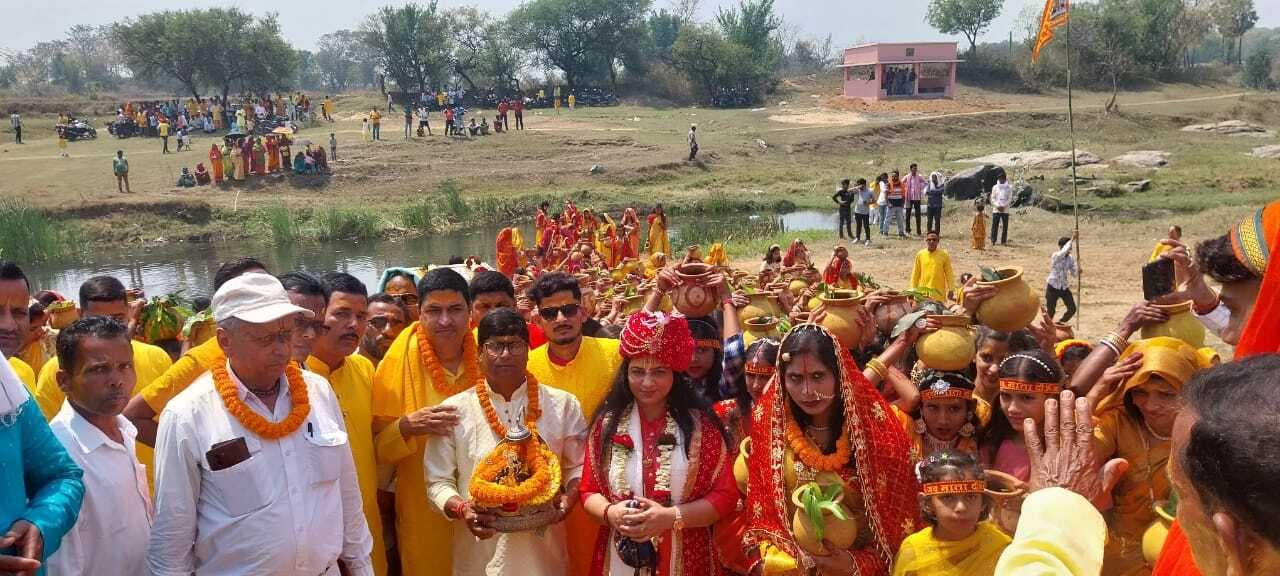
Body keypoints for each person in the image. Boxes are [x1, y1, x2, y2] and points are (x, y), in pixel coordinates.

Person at [148, 273, 375, 575]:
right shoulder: (187, 414)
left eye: (284, 335)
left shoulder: (317, 392)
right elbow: (171, 540)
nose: (281, 349)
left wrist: (362, 567)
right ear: (225, 341)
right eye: (265, 339)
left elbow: (348, 494)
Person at [742, 324, 920, 574]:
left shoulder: (875, 433)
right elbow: (761, 522)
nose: (807, 391)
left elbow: (899, 531)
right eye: (795, 378)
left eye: (818, 376)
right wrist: (787, 563)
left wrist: (855, 565)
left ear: (839, 375)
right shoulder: (772, 429)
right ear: (782, 379)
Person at [425, 308, 587, 575]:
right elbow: (437, 482)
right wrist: (463, 509)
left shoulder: (563, 404)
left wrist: (569, 499)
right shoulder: (454, 411)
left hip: (544, 551)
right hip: (480, 552)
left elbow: (578, 467)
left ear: (528, 350)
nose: (505, 354)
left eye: (515, 345)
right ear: (478, 354)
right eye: (495, 346)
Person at [579, 310, 737, 575]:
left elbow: (725, 496)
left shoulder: (702, 426)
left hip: (687, 553)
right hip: (619, 555)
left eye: (659, 372)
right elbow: (588, 491)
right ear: (625, 374)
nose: (647, 382)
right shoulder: (606, 425)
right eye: (637, 371)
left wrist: (669, 517)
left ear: (675, 373)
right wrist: (611, 514)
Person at [372, 268, 483, 576]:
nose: (445, 321)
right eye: (434, 310)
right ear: (418, 312)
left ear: (470, 311)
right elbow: (378, 451)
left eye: (455, 309)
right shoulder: (396, 362)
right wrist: (407, 426)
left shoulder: (488, 353)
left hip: (486, 501)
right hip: (423, 509)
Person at [1083, 337, 1214, 576]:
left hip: (1186, 553)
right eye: (1140, 392)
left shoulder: (1208, 435)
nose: (1151, 406)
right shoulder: (1118, 423)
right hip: (1119, 552)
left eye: (1166, 395)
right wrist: (1095, 394)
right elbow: (1081, 457)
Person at [524, 272, 623, 576]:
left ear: (583, 311)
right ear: (538, 319)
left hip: (607, 489)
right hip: (547, 493)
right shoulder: (526, 366)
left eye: (568, 309)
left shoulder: (614, 355)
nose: (561, 318)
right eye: (550, 313)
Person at [122, 257, 271, 447]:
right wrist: (198, 457)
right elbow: (132, 416)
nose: (267, 297)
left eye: (270, 287)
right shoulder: (201, 360)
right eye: (252, 292)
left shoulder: (291, 347)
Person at [45, 317, 151, 576]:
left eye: (125, 366)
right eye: (99, 369)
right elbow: (62, 565)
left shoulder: (125, 430)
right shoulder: (61, 456)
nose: (117, 380)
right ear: (63, 381)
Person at [304, 273, 389, 576]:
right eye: (341, 314)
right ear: (316, 317)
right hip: (312, 534)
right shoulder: (290, 380)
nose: (353, 325)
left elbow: (377, 439)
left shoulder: (364, 368)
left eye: (361, 316)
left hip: (365, 522)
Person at [0, 347, 84, 576]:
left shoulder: (9, 394)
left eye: (16, 312)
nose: (7, 325)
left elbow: (61, 476)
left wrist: (41, 522)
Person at [892, 450, 1010, 576]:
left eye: (971, 497)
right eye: (947, 497)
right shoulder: (913, 551)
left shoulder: (1001, 547)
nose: (961, 507)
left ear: (983, 502)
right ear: (927, 503)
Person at [982, 349, 1063, 483]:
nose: (1013, 408)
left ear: (1051, 397)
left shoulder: (1068, 451)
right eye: (1006, 396)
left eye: (1026, 397)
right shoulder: (991, 443)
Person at [899, 371, 990, 462]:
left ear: (970, 408)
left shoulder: (982, 441)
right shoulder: (904, 430)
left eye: (954, 409)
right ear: (921, 407)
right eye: (933, 407)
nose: (943, 420)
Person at [361, 292, 409, 367]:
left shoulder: (410, 370)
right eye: (379, 322)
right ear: (361, 324)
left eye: (396, 323)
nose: (388, 331)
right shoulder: (341, 365)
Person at [910, 232, 955, 301]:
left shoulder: (944, 255)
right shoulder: (920, 254)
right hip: (923, 294)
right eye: (929, 239)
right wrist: (912, 290)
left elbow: (949, 273)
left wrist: (951, 289)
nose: (931, 241)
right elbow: (915, 274)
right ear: (926, 241)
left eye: (934, 239)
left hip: (938, 295)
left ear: (938, 241)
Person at [1046, 233, 1080, 323]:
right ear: (1061, 246)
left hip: (1064, 287)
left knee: (1072, 309)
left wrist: (1078, 271)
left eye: (1070, 247)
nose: (1070, 249)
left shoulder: (1070, 258)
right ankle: (1047, 327)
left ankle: (1060, 323)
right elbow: (1063, 252)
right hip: (1052, 287)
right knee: (1051, 312)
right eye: (1068, 247)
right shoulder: (1056, 256)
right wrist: (1072, 239)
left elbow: (1074, 273)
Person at [905, 163, 927, 235]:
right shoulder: (907, 176)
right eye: (913, 168)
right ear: (911, 169)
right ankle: (908, 230)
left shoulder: (919, 176)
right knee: (908, 214)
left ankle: (918, 231)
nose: (915, 170)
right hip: (909, 198)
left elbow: (925, 183)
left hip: (917, 198)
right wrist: (905, 189)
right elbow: (901, 183)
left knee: (918, 215)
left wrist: (921, 187)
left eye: (916, 168)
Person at [991, 173, 1013, 246]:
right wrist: (997, 206)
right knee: (995, 225)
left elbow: (1009, 199)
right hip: (996, 209)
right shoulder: (995, 187)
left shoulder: (1009, 188)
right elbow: (993, 198)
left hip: (1005, 210)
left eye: (1001, 178)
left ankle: (1003, 241)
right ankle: (993, 240)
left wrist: (1003, 206)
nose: (1000, 180)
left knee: (1005, 226)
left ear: (1004, 179)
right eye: (999, 178)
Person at [853, 178, 874, 245]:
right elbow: (849, 191)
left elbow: (874, 200)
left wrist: (868, 202)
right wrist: (856, 187)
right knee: (858, 225)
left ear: (863, 184)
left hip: (865, 212)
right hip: (857, 211)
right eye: (858, 185)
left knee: (866, 226)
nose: (858, 186)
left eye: (859, 185)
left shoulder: (870, 191)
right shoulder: (858, 190)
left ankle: (868, 239)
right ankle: (857, 238)